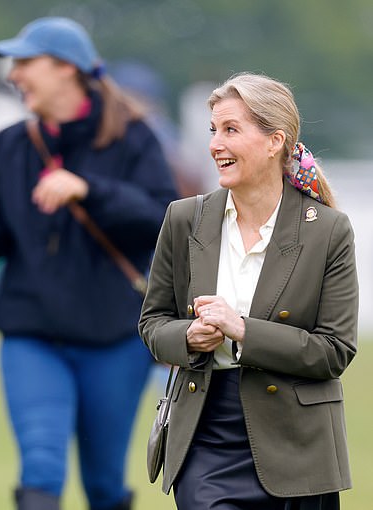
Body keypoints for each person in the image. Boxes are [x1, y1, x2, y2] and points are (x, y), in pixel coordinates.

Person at [0, 17, 178, 510]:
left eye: (26, 62)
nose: (14, 74)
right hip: (32, 336)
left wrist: (90, 190)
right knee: (41, 468)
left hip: (115, 339)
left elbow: (163, 218)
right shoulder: (8, 146)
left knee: (104, 483)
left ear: (67, 69)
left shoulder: (135, 138)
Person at [139, 72, 358, 510]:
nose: (215, 144)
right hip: (205, 438)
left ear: (275, 141)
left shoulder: (329, 230)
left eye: (231, 130)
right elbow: (152, 323)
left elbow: (334, 351)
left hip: (301, 448)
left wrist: (242, 330)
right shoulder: (183, 219)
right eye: (213, 130)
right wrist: (186, 337)